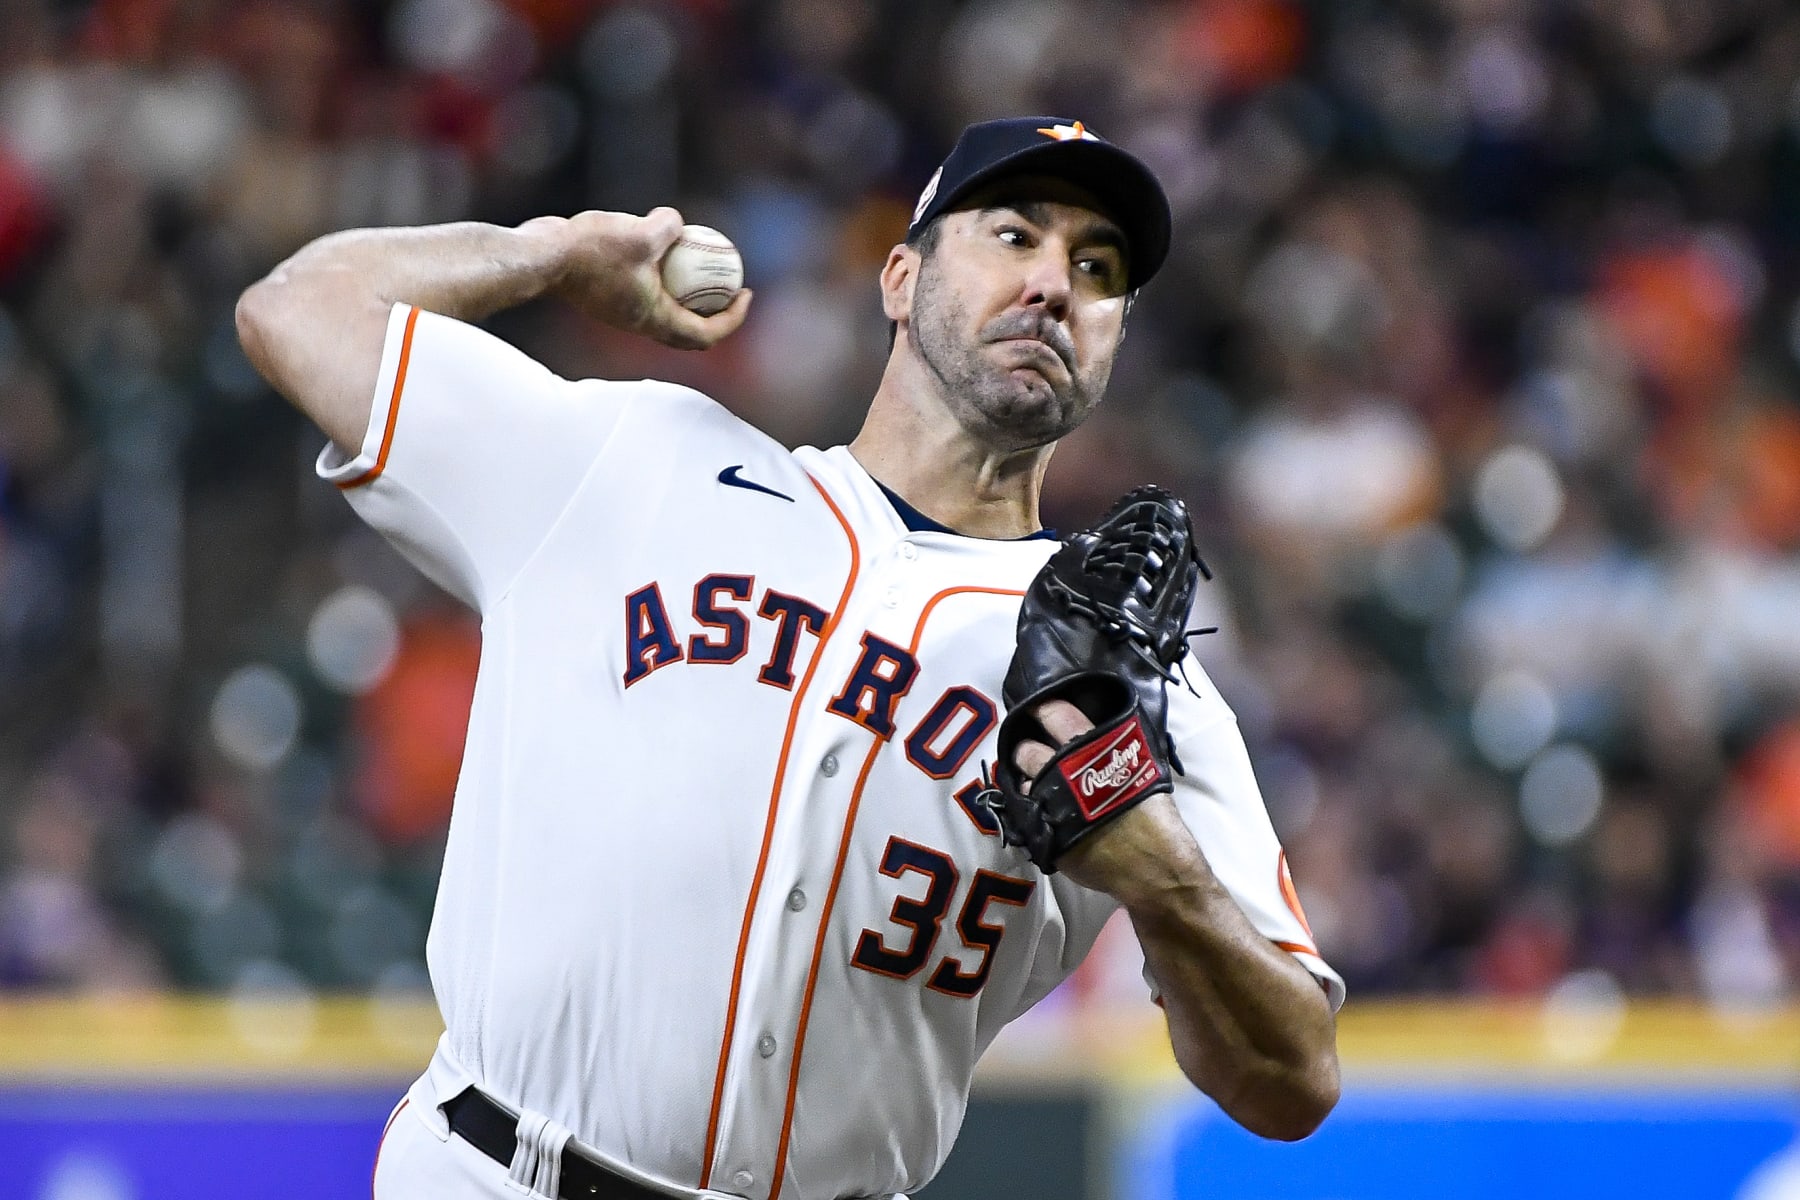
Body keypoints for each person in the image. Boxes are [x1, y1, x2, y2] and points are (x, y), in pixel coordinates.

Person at [236, 115, 1343, 1200]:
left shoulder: (1131, 688)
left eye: (1096, 267)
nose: (1054, 283)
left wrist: (1169, 886)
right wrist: (554, 251)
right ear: (900, 278)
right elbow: (297, 311)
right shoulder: (634, 461)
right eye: (1014, 235)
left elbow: (1293, 1082)